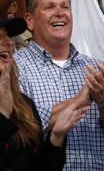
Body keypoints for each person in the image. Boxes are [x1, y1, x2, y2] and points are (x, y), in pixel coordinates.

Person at [14, 0, 104, 169]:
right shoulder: (15, 68)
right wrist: (80, 100)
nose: (60, 12)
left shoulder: (94, 67)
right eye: (49, 7)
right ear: (29, 20)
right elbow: (21, 128)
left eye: (65, 6)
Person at [0, 17, 88, 171]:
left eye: (7, 35)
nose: (7, 42)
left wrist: (56, 137)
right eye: (0, 36)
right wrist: (2, 117)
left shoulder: (24, 104)